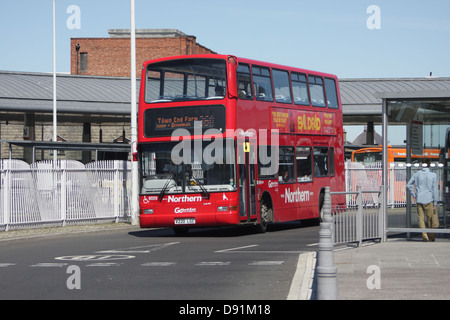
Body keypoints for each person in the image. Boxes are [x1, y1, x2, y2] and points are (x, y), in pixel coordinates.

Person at [406, 158, 439, 241]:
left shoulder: (417, 174)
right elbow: (435, 190)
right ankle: (431, 236)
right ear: (429, 165)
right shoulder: (433, 175)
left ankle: (424, 236)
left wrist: (414, 195)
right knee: (430, 219)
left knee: (421, 219)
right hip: (429, 199)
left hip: (419, 199)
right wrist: (435, 203)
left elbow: (408, 185)